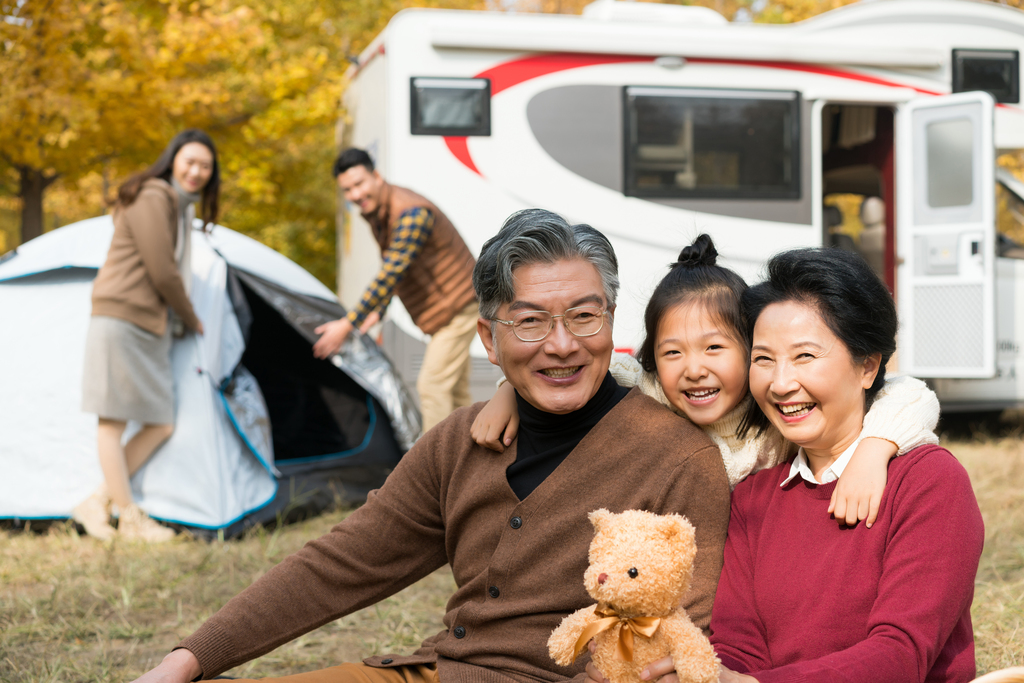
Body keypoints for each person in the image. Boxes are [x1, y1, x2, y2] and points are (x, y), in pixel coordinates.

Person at [131, 208, 731, 683]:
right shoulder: (459, 443)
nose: (562, 344)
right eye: (529, 322)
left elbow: (672, 641)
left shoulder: (677, 458)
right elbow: (343, 563)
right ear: (488, 340)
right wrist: (189, 658)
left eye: (584, 316)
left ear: (611, 319)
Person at [624, 248, 984, 683]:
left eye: (805, 357)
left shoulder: (928, 481)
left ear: (867, 366)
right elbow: (737, 645)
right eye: (763, 359)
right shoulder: (752, 495)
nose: (780, 383)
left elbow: (902, 655)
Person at [473, 234, 939, 526]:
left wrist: (874, 451)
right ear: (652, 359)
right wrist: (509, 391)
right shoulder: (652, 394)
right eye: (672, 352)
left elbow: (907, 392)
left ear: (750, 348)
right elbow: (569, 369)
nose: (693, 369)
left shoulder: (772, 408)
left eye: (715, 348)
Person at [73, 129, 218, 543]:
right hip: (121, 318)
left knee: (160, 422)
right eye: (189, 161)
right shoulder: (155, 195)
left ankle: (98, 500)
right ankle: (129, 515)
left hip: (147, 325)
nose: (196, 171)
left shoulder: (178, 206)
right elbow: (162, 270)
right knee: (112, 422)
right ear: (173, 159)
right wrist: (192, 318)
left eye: (205, 166)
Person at [313, 148, 479, 432]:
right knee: (456, 394)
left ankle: (435, 470)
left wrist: (347, 324)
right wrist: (379, 310)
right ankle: (475, 460)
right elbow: (398, 266)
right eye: (347, 190)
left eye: (359, 184)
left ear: (376, 177)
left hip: (461, 305)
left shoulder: (409, 213)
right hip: (448, 309)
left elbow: (392, 271)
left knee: (432, 385)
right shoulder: (381, 213)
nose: (355, 194)